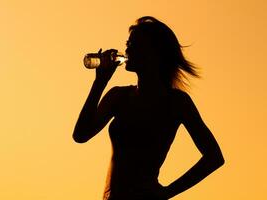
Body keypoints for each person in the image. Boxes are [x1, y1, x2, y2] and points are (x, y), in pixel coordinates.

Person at [73, 16, 224, 200]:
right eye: (128, 43)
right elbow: (81, 135)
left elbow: (214, 157)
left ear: (155, 52)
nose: (127, 49)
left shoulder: (176, 102)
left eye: (134, 44)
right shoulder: (118, 96)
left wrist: (167, 192)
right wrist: (99, 82)